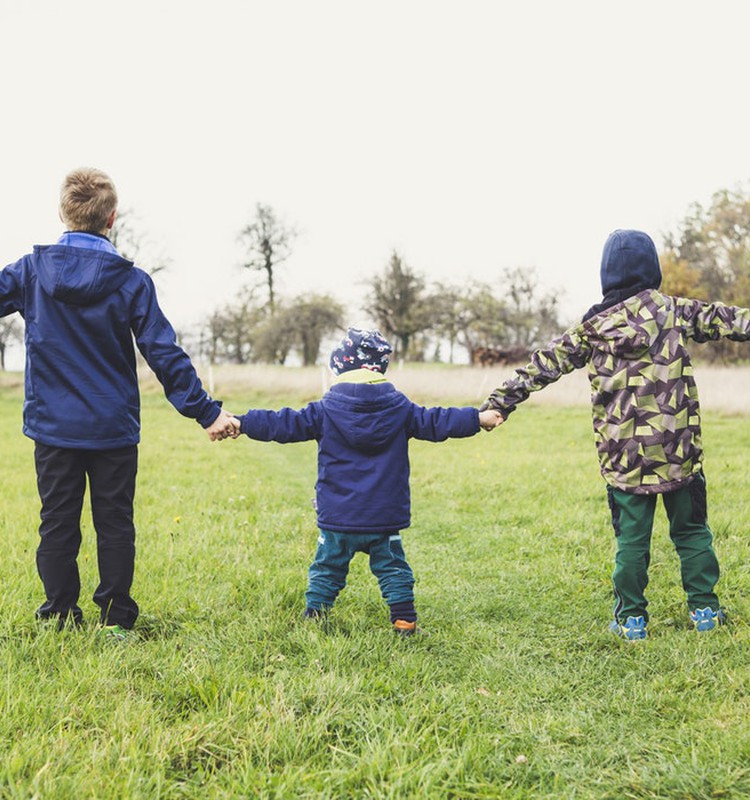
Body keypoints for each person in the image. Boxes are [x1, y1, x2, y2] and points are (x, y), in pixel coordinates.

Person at [0, 167, 236, 638]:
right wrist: (206, 412)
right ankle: (115, 620)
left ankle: (60, 616)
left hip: (53, 428)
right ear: (111, 219)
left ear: (63, 214)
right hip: (112, 428)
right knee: (115, 523)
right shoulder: (132, 281)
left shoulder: (31, 272)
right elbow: (163, 354)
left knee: (57, 524)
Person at [482, 229, 750, 640]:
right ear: (653, 270)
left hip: (625, 460)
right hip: (679, 452)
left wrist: (501, 402)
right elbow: (730, 320)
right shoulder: (674, 311)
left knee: (631, 542)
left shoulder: (592, 328)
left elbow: (541, 365)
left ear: (607, 275)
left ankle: (632, 621)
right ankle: (705, 613)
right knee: (693, 532)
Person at [229, 328, 501, 634]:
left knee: (327, 568)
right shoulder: (401, 409)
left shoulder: (324, 410)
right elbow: (437, 421)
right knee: (393, 569)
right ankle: (404, 620)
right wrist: (477, 419)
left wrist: (242, 422)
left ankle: (315, 616)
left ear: (341, 367)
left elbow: (282, 423)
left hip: (338, 517)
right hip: (383, 516)